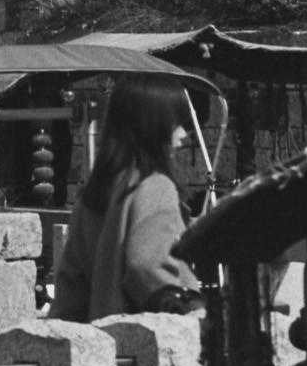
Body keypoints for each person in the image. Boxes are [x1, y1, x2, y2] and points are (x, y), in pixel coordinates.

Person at [72, 83, 209, 321]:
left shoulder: (93, 194)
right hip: (152, 338)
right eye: (176, 123)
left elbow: (71, 287)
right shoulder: (156, 186)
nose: (183, 135)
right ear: (154, 127)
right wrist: (192, 313)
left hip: (101, 337)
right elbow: (146, 266)